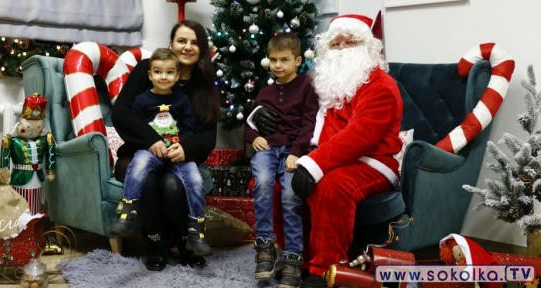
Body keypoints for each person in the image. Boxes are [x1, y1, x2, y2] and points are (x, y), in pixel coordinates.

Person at [253, 15, 403, 287]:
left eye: (352, 41)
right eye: (336, 43)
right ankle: (293, 258)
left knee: (331, 186)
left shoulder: (381, 85)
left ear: (367, 47)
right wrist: (257, 117)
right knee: (272, 183)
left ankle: (325, 268)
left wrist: (312, 164)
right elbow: (291, 110)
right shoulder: (322, 82)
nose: (343, 47)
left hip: (370, 163)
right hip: (320, 157)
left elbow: (360, 136)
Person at [111, 20, 220, 271]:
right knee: (148, 180)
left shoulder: (205, 86)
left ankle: (184, 243)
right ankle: (155, 244)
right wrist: (152, 141)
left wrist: (186, 148)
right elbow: (121, 113)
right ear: (171, 44)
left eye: (195, 43)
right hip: (140, 153)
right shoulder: (146, 70)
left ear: (202, 49)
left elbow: (206, 136)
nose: (188, 47)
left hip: (180, 156)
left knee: (172, 184)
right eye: (182, 41)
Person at [245, 33, 319, 288]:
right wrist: (254, 137)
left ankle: (293, 258)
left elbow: (309, 124)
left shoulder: (308, 87)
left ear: (298, 60)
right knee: (263, 182)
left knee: (290, 194)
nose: (278, 65)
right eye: (273, 60)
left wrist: (296, 153)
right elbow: (250, 123)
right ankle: (264, 248)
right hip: (267, 149)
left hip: (293, 152)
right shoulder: (265, 91)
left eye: (284, 60)